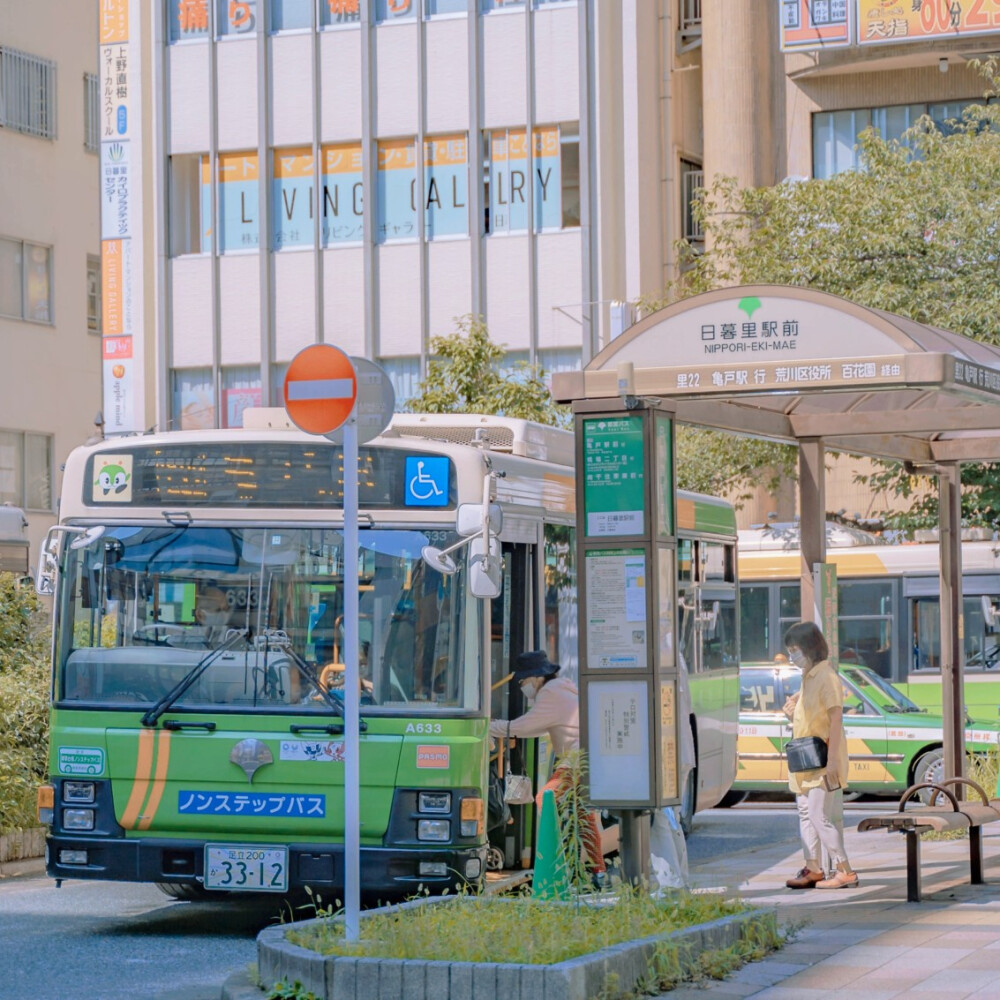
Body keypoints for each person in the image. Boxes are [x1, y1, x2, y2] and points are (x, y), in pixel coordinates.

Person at [488, 650, 607, 887]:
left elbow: (525, 726)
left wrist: (488, 726)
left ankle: (555, 866)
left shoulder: (550, 694)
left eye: (522, 682)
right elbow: (536, 728)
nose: (523, 687)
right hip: (587, 757)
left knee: (547, 798)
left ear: (535, 678)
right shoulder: (562, 688)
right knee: (583, 815)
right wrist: (502, 728)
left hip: (576, 759)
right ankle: (599, 872)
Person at [782, 621, 859, 890]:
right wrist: (792, 711)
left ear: (810, 648)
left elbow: (835, 719)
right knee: (806, 813)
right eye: (790, 650)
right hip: (806, 759)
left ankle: (845, 870)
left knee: (817, 815)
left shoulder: (826, 677)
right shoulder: (808, 677)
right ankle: (813, 868)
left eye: (795, 650)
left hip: (823, 760)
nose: (792, 656)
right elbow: (808, 716)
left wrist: (833, 762)